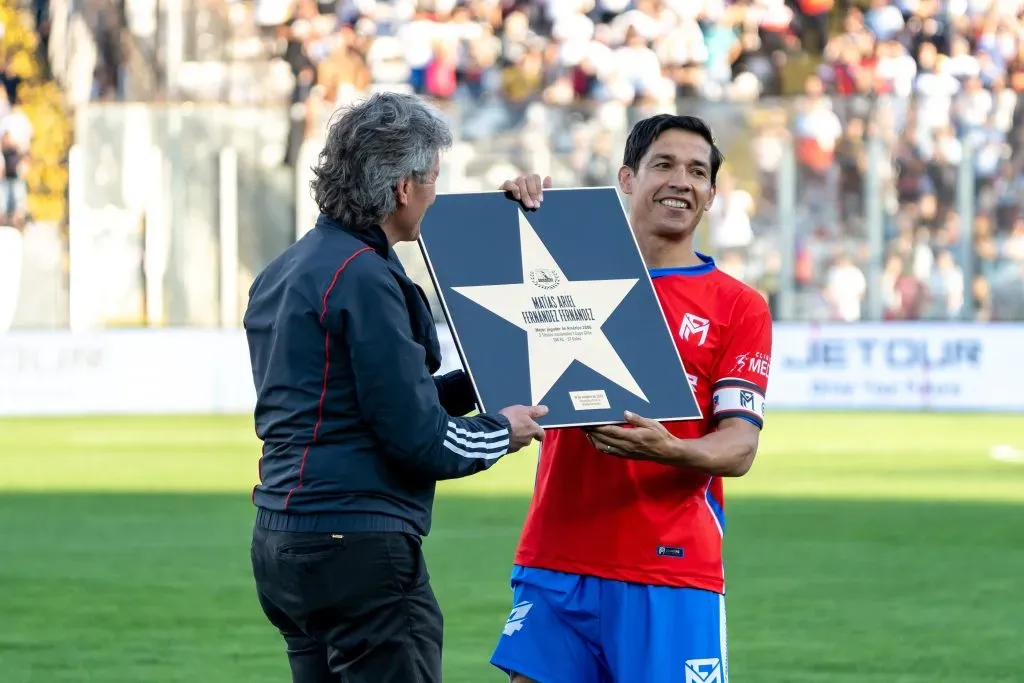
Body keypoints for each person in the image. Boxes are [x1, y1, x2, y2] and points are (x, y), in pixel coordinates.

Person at [242, 91, 548, 683]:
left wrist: (484, 384)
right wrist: (500, 431)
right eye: (434, 179)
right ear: (404, 188)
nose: (437, 194)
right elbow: (420, 439)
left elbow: (356, 400)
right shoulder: (362, 276)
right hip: (357, 545)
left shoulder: (287, 268)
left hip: (280, 539)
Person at [490, 114, 774, 682]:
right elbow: (487, 307)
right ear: (626, 177)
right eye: (663, 164)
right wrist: (511, 219)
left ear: (711, 196)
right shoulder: (561, 280)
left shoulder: (739, 306)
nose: (681, 180)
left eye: (697, 171)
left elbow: (739, 448)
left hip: (668, 566)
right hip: (555, 554)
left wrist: (667, 449)